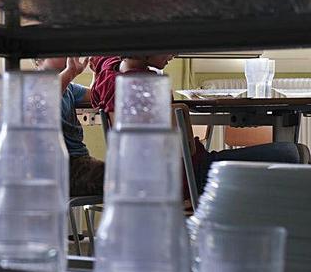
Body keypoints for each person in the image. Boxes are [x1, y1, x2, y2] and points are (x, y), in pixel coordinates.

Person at [90, 55, 305, 195]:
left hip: (139, 181)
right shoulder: (147, 88)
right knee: (293, 153)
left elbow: (96, 58)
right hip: (189, 177)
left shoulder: (109, 71)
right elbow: (170, 149)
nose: (173, 54)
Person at [36, 57, 105, 197]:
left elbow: (95, 96)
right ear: (39, 59)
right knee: (121, 178)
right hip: (58, 167)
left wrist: (97, 72)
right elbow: (47, 96)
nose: (67, 57)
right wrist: (70, 72)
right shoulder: (35, 87)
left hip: (80, 161)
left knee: (125, 175)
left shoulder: (69, 88)